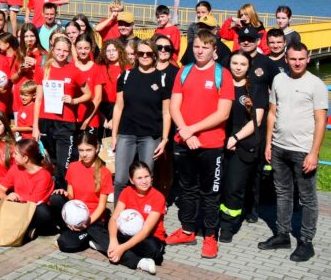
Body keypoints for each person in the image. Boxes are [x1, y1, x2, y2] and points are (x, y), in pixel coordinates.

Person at [166, 30, 234, 259]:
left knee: (211, 193)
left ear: (214, 51)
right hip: (185, 142)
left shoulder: (222, 75)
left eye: (205, 47)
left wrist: (191, 130)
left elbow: (223, 113)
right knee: (187, 189)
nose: (200, 50)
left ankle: (210, 237)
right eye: (196, 46)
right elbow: (174, 106)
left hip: (211, 144)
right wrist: (186, 134)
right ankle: (187, 229)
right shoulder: (184, 72)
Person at [258, 42, 327, 262]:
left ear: (308, 59)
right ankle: (282, 234)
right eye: (293, 58)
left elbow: (321, 120)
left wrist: (314, 153)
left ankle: (306, 241)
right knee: (283, 193)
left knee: (307, 198)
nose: (297, 62)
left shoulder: (316, 84)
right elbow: (272, 113)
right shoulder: (279, 79)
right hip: (279, 147)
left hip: (303, 150)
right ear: (286, 59)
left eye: (301, 58)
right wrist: (269, 143)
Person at [110, 38, 171, 199]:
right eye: (141, 53)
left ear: (154, 55)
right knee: (120, 179)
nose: (145, 56)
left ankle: (143, 214)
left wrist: (164, 139)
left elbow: (166, 112)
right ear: (136, 55)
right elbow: (118, 107)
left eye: (149, 54)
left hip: (150, 136)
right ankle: (119, 217)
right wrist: (114, 136)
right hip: (126, 133)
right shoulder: (126, 76)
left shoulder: (162, 78)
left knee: (145, 180)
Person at [217, 52, 267, 242]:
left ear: (249, 66)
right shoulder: (222, 85)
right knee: (218, 184)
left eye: (243, 64)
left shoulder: (256, 88)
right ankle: (213, 221)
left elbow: (257, 120)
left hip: (243, 144)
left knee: (234, 187)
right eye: (235, 63)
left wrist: (235, 138)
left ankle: (228, 225)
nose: (238, 67)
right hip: (221, 140)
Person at [33, 36, 92, 188]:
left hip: (66, 122)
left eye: (65, 51)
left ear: (69, 53)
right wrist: (35, 126)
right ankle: (47, 191)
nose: (61, 53)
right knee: (47, 161)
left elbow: (88, 94)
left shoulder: (75, 71)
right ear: (52, 50)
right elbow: (38, 100)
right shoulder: (44, 69)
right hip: (46, 121)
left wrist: (73, 101)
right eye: (58, 49)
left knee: (63, 162)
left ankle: (62, 194)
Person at [90, 161, 166, 275]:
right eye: (139, 178)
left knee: (153, 249)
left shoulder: (158, 197)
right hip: (125, 234)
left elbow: (145, 230)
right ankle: (138, 262)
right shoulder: (127, 191)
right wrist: (113, 240)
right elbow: (114, 218)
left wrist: (122, 248)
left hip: (147, 238)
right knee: (93, 227)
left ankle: (104, 247)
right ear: (132, 180)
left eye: (147, 176)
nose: (144, 181)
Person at [53, 133, 114, 253]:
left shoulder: (105, 172)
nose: (84, 154)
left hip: (92, 218)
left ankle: (90, 236)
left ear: (97, 148)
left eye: (88, 150)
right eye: (81, 150)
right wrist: (63, 193)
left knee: (66, 243)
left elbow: (102, 206)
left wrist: (87, 222)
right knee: (56, 198)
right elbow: (71, 197)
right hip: (75, 215)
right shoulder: (72, 167)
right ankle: (74, 231)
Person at [4, 138, 57, 239]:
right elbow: (0, 189)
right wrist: (6, 197)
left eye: (15, 153)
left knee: (43, 213)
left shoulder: (44, 175)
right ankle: (24, 229)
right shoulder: (16, 167)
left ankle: (29, 228)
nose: (13, 156)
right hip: (18, 206)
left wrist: (16, 198)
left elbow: (33, 202)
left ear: (25, 158)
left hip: (32, 210)